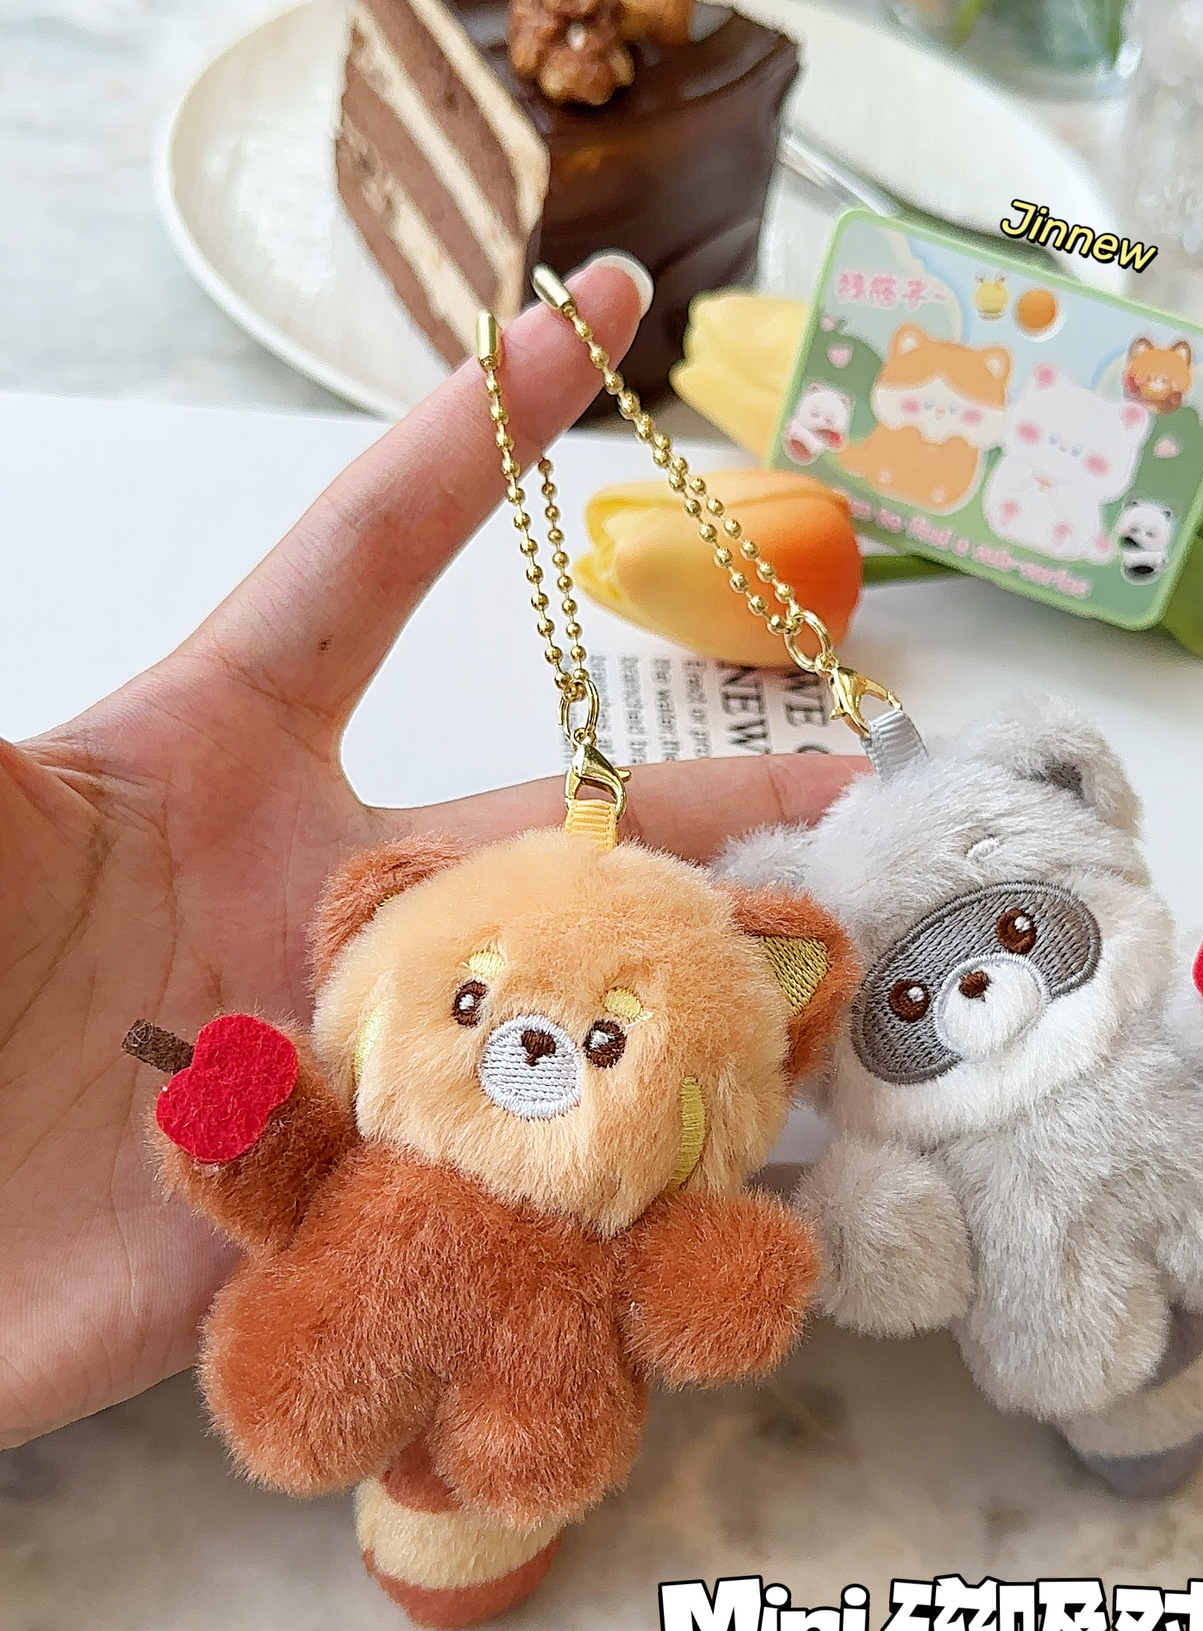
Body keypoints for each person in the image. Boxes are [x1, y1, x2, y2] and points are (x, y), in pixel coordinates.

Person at [0, 259, 862, 1450]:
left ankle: (465, 1532)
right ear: (376, 913)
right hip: (314, 1357)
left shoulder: (608, 1211)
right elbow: (288, 1173)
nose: (534, 1047)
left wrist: (731, 1274)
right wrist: (240, 1117)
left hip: (537, 1412)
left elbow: (700, 1293)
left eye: (607, 1041)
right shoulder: (364, 1143)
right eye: (472, 1001)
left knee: (512, 1477)